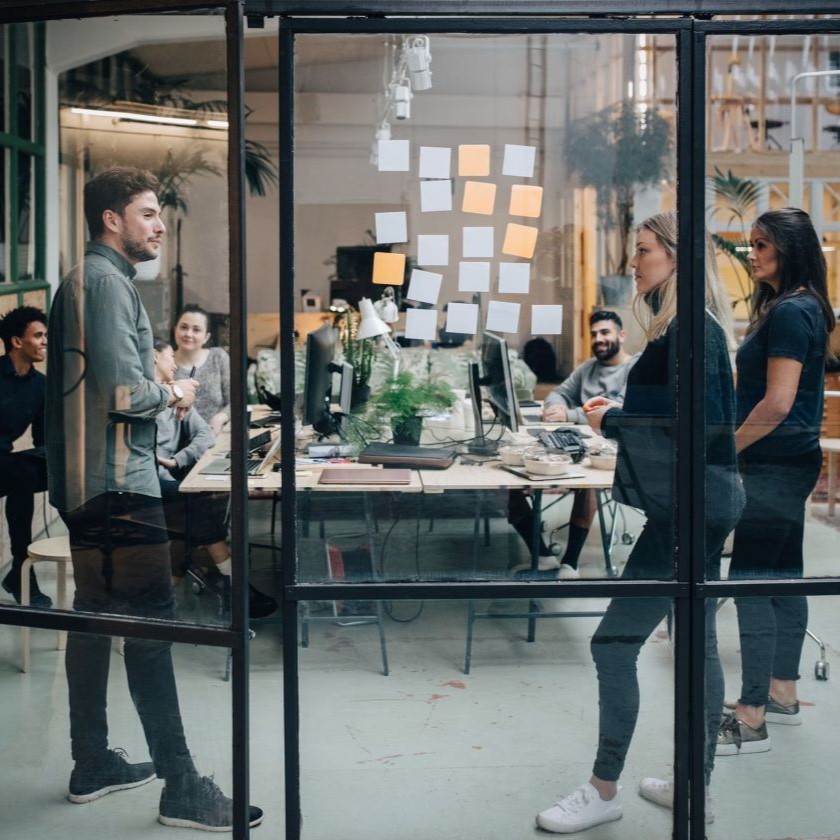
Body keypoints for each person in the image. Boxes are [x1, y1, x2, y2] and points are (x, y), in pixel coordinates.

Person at [46, 166, 262, 830]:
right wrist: (176, 391)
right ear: (111, 218)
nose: (160, 224)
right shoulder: (106, 283)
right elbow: (123, 396)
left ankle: (92, 763)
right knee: (151, 630)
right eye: (147, 212)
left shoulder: (87, 282)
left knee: (94, 618)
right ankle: (181, 786)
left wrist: (158, 378)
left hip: (92, 483)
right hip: (117, 485)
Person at [533, 213, 744, 833]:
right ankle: (692, 788)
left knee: (613, 642)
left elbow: (691, 428)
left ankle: (603, 790)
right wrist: (621, 411)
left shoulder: (690, 333)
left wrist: (609, 423)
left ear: (676, 259)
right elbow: (678, 412)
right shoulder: (685, 330)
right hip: (696, 505)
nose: (634, 262)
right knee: (696, 646)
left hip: (691, 509)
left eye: (645, 251)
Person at [717, 207, 834, 755]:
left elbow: (778, 403)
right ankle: (783, 692)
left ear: (788, 247)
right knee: (783, 574)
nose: (752, 253)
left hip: (773, 461)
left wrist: (725, 446)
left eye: (761, 244)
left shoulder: (791, 312)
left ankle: (752, 713)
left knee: (751, 580)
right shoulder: (802, 304)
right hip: (792, 460)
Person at [154, 338, 277, 619]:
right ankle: (233, 583)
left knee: (198, 511)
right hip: (150, 484)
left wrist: (178, 459)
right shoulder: (145, 400)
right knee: (200, 504)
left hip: (172, 474)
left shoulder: (178, 392)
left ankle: (181, 592)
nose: (175, 362)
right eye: (169, 356)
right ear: (153, 358)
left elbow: (205, 434)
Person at [509, 311, 636, 579]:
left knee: (584, 481)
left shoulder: (632, 369)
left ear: (621, 336)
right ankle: (542, 556)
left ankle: (570, 564)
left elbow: (623, 410)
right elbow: (558, 392)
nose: (598, 339)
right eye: (594, 334)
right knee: (512, 478)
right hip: (577, 440)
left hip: (611, 449)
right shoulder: (588, 367)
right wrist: (555, 407)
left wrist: (569, 414)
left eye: (605, 332)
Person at [0, 306, 51, 607]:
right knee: (23, 473)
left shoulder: (40, 386)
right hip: (8, 466)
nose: (44, 341)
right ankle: (22, 570)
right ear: (17, 341)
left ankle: (91, 553)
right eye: (39, 335)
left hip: (7, 465)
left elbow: (41, 440)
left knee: (56, 471)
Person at [172, 303, 231, 436]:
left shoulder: (218, 357)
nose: (188, 334)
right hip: (175, 441)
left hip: (215, 436)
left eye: (196, 330)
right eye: (183, 327)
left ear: (206, 337)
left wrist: (220, 418)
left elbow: (236, 401)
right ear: (175, 329)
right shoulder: (165, 363)